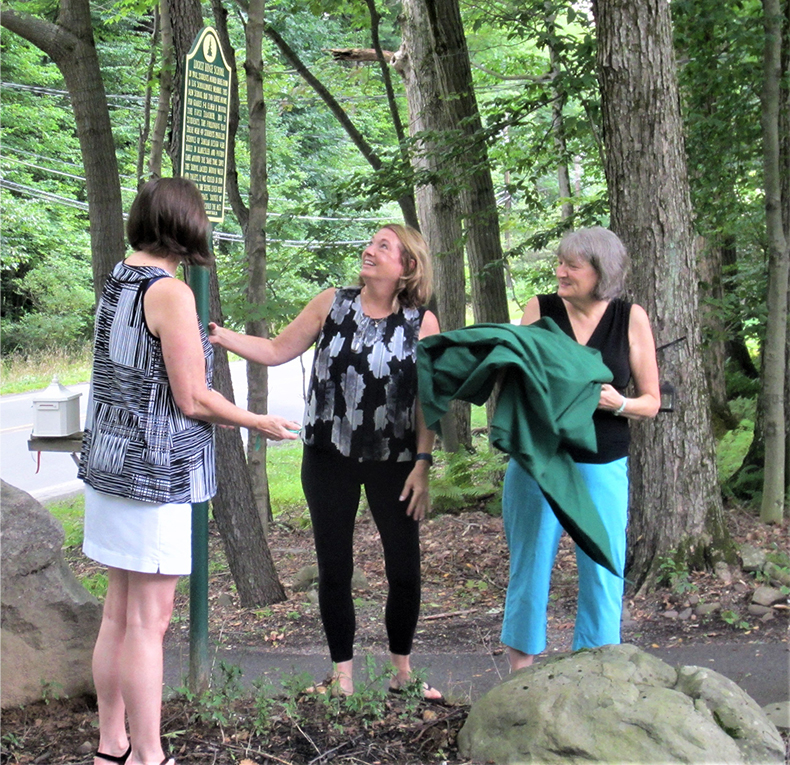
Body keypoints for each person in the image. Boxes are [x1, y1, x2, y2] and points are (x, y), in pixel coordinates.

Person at [78, 177, 300, 765]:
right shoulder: (170, 293)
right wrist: (257, 420)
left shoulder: (118, 275)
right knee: (149, 622)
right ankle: (149, 756)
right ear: (186, 226)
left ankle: (112, 747)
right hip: (156, 474)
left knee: (119, 614)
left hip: (110, 465)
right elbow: (193, 399)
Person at [209, 224, 442, 699]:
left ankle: (403, 674)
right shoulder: (332, 303)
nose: (369, 251)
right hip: (327, 457)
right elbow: (275, 350)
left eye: (383, 246)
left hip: (394, 462)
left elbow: (427, 402)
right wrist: (218, 335)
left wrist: (422, 462)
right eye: (370, 243)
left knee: (404, 568)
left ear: (407, 266)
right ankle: (342, 677)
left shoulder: (423, 323)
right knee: (333, 568)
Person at [501, 226, 660, 672]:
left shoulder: (630, 317)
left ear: (601, 272)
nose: (561, 272)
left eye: (572, 265)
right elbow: (518, 380)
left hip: (604, 461)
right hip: (540, 460)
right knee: (529, 565)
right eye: (560, 262)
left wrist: (619, 402)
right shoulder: (541, 308)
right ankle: (521, 677)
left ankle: (596, 669)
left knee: (603, 567)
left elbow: (651, 402)